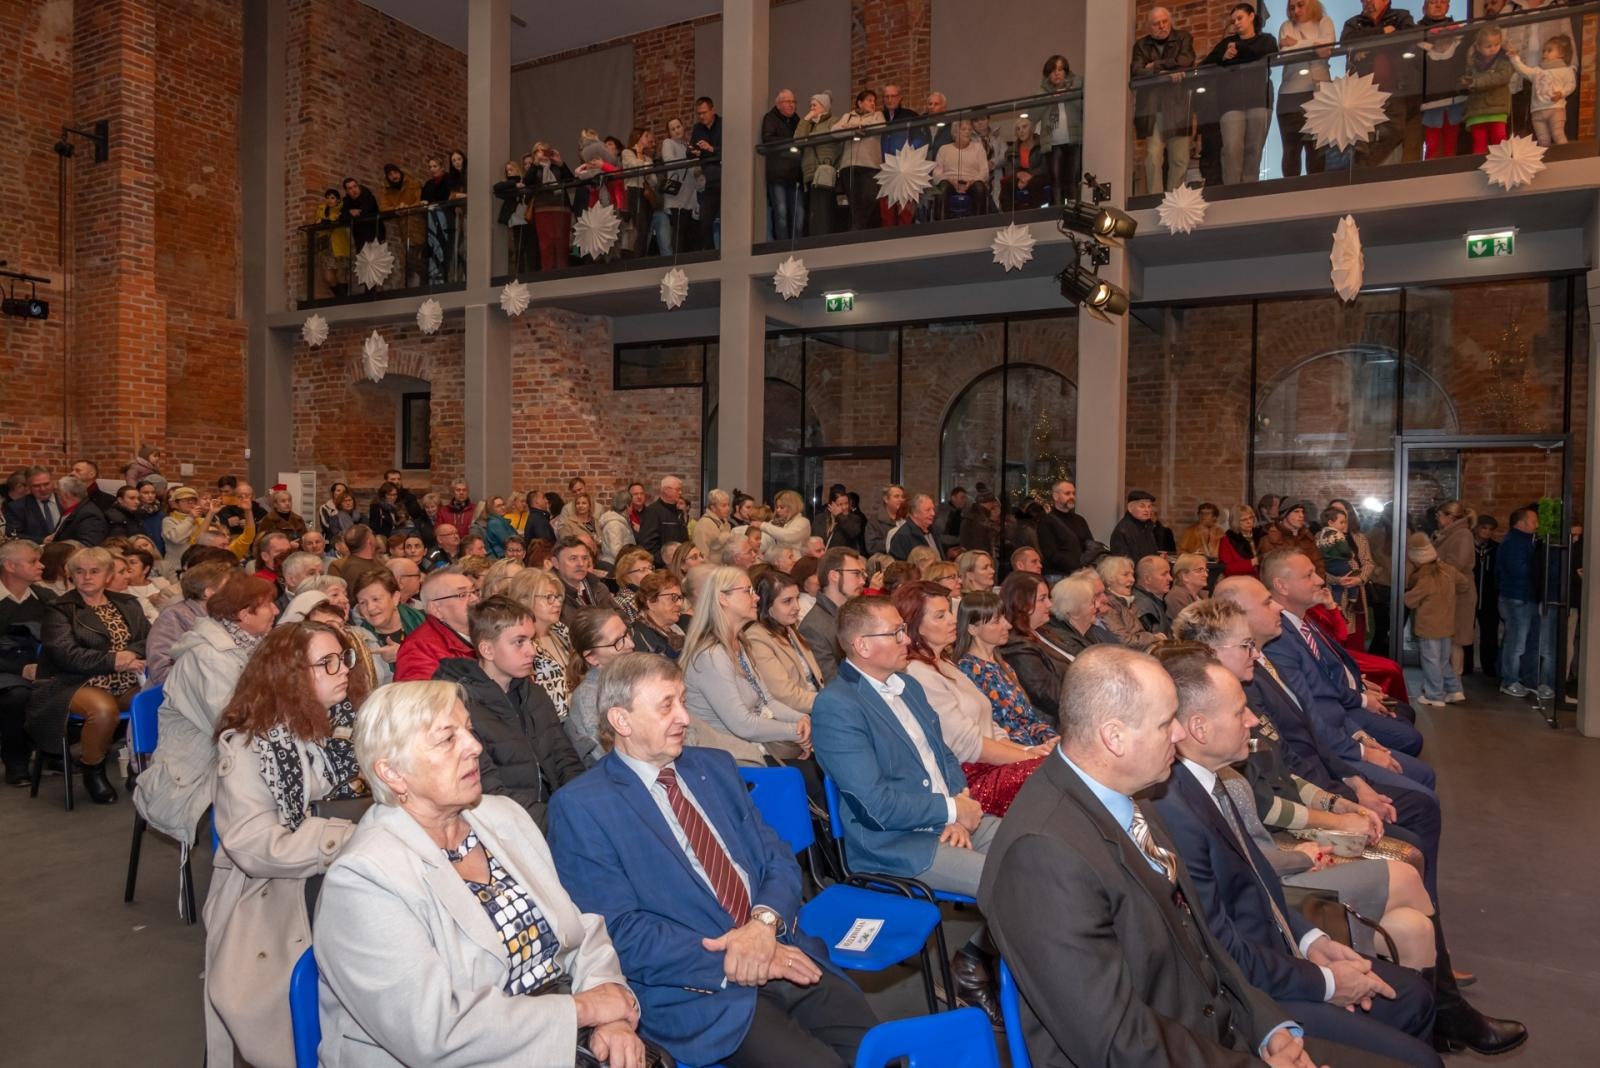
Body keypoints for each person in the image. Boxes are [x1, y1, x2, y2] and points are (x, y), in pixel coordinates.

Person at [982, 644, 1344, 1067]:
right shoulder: (1042, 856)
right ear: (1114, 737)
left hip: (1211, 1035)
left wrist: (1266, 1024)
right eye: (1164, 723)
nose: (1178, 733)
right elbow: (1117, 1041)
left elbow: (1203, 940)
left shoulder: (1134, 793)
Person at [547, 653, 878, 1066]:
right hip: (699, 991)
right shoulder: (582, 807)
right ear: (621, 721)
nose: (685, 717)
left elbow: (775, 857)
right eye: (667, 705)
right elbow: (621, 931)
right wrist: (740, 955)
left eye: (683, 701)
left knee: (880, 1053)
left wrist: (764, 924)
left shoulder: (714, 767)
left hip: (781, 947)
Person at [315, 680, 646, 1068]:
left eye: (469, 730)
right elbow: (436, 1033)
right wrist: (581, 1011)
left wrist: (610, 1013)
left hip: (559, 1035)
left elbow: (577, 930)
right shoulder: (364, 878)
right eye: (446, 739)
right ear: (392, 773)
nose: (474, 746)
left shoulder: (501, 816)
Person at [1148, 655, 1445, 1066]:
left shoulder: (1218, 781)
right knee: (1419, 1048)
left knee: (1415, 995)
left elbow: (1261, 889)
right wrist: (1324, 981)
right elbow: (1220, 948)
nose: (1253, 720)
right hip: (1252, 991)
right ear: (1198, 729)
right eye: (1240, 711)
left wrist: (1314, 941)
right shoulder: (1177, 811)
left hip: (1277, 953)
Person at [810, 595, 1002, 1020]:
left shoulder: (908, 685)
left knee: (1040, 852)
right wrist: (949, 812)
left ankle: (972, 957)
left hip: (947, 818)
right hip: (894, 842)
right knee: (1007, 881)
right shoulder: (837, 706)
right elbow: (876, 806)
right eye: (895, 633)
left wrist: (962, 806)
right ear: (861, 646)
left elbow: (945, 757)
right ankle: (1009, 979)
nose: (906, 638)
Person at [203, 621, 369, 1068]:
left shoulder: (345, 724)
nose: (343, 671)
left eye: (344, 659)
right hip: (271, 886)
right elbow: (256, 847)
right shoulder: (249, 746)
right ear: (289, 675)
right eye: (327, 663)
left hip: (332, 865)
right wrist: (347, 838)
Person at [133, 572, 277, 845]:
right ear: (245, 615)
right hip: (198, 764)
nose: (276, 610)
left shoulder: (250, 646)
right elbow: (232, 723)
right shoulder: (208, 656)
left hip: (229, 751)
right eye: (269, 604)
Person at [896, 582, 1048, 817]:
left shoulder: (945, 664)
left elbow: (991, 729)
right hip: (969, 780)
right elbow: (968, 744)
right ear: (917, 625)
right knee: (1056, 774)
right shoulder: (917, 673)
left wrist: (1031, 749)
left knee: (1062, 767)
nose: (952, 620)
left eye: (949, 612)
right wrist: (1031, 757)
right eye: (940, 616)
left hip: (990, 765)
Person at [433, 595, 584, 828]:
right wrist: (562, 822)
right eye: (519, 642)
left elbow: (564, 758)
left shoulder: (534, 694)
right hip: (511, 828)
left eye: (532, 640)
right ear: (487, 649)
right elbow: (489, 792)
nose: (532, 651)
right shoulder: (460, 707)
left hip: (555, 816)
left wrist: (582, 807)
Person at [25, 547, 147, 803]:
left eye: (94, 571)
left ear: (109, 575)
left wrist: (128, 655)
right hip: (69, 681)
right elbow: (65, 655)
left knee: (160, 701)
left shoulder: (127, 603)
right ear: (70, 576)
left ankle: (145, 768)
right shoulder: (59, 608)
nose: (87, 577)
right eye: (79, 571)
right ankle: (93, 768)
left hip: (124, 679)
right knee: (103, 711)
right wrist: (115, 660)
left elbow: (147, 639)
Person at [680, 566, 810, 766]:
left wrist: (804, 720)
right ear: (723, 599)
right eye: (747, 591)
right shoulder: (711, 655)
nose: (756, 597)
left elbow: (768, 700)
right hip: (726, 759)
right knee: (808, 777)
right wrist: (795, 730)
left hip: (751, 748)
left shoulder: (738, 643)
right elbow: (742, 724)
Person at [1202, 4, 1278, 185]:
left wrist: (1238, 51)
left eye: (1240, 18)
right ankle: (1231, 189)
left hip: (1259, 100)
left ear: (1251, 16)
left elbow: (1264, 53)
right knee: (1231, 148)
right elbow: (1205, 65)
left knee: (1254, 148)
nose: (1236, 23)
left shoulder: (1265, 40)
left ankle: (1249, 189)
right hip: (1231, 103)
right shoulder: (1225, 44)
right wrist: (1224, 58)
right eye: (1233, 20)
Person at [1342, 0, 1420, 167]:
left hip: (1395, 88)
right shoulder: (1354, 23)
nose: (1367, 2)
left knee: (1396, 130)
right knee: (1361, 138)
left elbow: (1408, 38)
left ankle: (1366, 167)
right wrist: (1383, 32)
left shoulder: (1401, 16)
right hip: (1363, 91)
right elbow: (1347, 41)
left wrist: (1367, 46)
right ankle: (1362, 172)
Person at [0, 539, 51, 783]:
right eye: (33, 561)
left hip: (41, 665)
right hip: (6, 668)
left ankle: (52, 752)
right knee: (17, 696)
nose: (41, 566)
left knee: (66, 685)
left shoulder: (45, 598)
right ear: (10, 566)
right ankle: (15, 761)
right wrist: (21, 668)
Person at [1132, 6, 1198, 194]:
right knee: (1153, 156)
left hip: (1178, 106)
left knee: (1180, 158)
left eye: (1164, 22)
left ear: (1170, 21)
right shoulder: (1141, 45)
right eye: (1156, 24)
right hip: (1151, 107)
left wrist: (1156, 66)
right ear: (1149, 27)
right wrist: (1167, 72)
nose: (1161, 26)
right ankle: (1155, 198)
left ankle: (1175, 199)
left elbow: (1186, 60)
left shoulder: (1183, 37)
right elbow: (1136, 71)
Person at [994, 572, 1075, 722]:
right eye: (1042, 599)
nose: (1050, 604)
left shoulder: (1042, 631)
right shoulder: (1016, 647)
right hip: (1063, 722)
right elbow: (1053, 697)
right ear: (1021, 604)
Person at [563, 607, 638, 766]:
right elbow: (609, 760)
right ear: (592, 658)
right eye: (618, 641)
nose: (631, 644)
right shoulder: (588, 698)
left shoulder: (636, 675)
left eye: (627, 633)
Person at [1402, 534, 1470, 708]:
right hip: (1447, 624)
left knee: (1430, 660)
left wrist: (1403, 595)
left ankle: (1434, 695)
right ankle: (1454, 690)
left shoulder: (1425, 578)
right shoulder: (1448, 570)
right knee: (1443, 660)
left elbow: (1410, 600)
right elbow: (1464, 584)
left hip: (1429, 626)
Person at [1277, 0, 1337, 176]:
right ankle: (1290, 193)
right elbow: (1285, 53)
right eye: (1292, 7)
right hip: (1289, 93)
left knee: (1317, 148)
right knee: (1290, 149)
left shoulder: (1324, 22)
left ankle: (1316, 194)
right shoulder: (1286, 26)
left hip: (1319, 91)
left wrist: (1296, 44)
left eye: (1300, 5)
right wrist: (1314, 45)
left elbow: (1327, 48)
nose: (1296, 10)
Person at [395, 569, 477, 682]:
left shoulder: (488, 631)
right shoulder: (419, 649)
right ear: (436, 609)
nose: (475, 599)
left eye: (474, 591)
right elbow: (425, 698)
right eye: (462, 594)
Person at [798, 547, 865, 681]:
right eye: (856, 574)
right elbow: (832, 683)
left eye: (863, 575)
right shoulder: (812, 627)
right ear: (834, 575)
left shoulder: (858, 612)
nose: (862, 581)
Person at [1416, 0, 1469, 159]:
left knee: (1451, 142)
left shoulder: (1460, 34)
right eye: (1433, 2)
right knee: (1431, 144)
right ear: (1424, 7)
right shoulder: (1415, 33)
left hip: (1455, 99)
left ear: (1448, 7)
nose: (1438, 5)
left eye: (1442, 1)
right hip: (1430, 100)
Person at [1508, 32, 1575, 147]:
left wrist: (1562, 93)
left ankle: (1566, 157)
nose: (1545, 53)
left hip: (1556, 109)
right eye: (1544, 51)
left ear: (1561, 54)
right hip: (1537, 111)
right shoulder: (1537, 71)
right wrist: (1515, 57)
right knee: (1543, 140)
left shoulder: (1566, 70)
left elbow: (1571, 85)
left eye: (1549, 50)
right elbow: (1523, 70)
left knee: (1558, 134)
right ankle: (1547, 162)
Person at [834, 89, 885, 232]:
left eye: (874, 101)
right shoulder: (848, 116)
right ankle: (859, 232)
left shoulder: (877, 115)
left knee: (869, 197)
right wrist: (853, 128)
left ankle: (856, 231)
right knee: (854, 202)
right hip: (849, 164)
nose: (873, 103)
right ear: (860, 103)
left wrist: (859, 128)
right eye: (869, 100)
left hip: (870, 164)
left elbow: (881, 127)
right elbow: (834, 130)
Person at [1460, 24, 1515, 153]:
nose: (1493, 49)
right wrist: (1465, 82)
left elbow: (1502, 77)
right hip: (1476, 112)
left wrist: (1476, 82)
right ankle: (1478, 168)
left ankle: (1502, 168)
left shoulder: (1505, 60)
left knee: (1500, 142)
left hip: (1498, 109)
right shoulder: (1471, 63)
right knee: (1479, 144)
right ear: (1478, 47)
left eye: (1496, 44)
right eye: (1488, 46)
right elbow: (1467, 81)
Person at [1038, 54, 1085, 203]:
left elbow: (1085, 108)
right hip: (1053, 142)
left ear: (1066, 72)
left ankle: (1073, 211)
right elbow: (1034, 113)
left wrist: (1068, 95)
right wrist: (1050, 97)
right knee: (1055, 179)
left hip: (1074, 139)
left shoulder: (1077, 86)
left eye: (1060, 69)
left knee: (1072, 178)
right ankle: (1057, 212)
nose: (1057, 73)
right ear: (1048, 75)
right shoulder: (1043, 91)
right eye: (1052, 70)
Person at [1097, 554, 1168, 652]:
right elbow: (1124, 641)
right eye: (1125, 574)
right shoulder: (1108, 605)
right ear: (1109, 579)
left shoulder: (1127, 602)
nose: (1132, 579)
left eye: (1132, 574)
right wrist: (1153, 638)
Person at [796, 92, 840, 237]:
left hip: (824, 171)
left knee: (823, 207)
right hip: (809, 172)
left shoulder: (833, 121)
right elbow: (798, 140)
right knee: (812, 209)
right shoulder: (808, 125)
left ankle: (824, 236)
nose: (811, 108)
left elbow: (838, 144)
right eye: (810, 105)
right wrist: (806, 119)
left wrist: (832, 162)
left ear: (824, 106)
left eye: (815, 105)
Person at [762, 89, 802, 239]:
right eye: (788, 102)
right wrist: (791, 143)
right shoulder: (770, 118)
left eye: (793, 102)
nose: (791, 105)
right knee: (781, 213)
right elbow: (768, 140)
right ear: (778, 104)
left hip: (796, 174)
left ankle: (797, 246)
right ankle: (782, 247)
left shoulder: (797, 120)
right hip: (777, 174)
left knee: (799, 214)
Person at [933, 120, 990, 217]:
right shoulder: (944, 149)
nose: (967, 132)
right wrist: (951, 181)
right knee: (942, 188)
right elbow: (937, 173)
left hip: (972, 182)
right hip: (950, 182)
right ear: (955, 132)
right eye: (963, 129)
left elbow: (984, 172)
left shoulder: (978, 148)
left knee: (980, 187)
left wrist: (972, 182)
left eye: (969, 129)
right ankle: (941, 227)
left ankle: (979, 225)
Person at [630, 569, 688, 659]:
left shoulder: (675, 630)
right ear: (651, 602)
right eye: (673, 597)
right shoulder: (639, 639)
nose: (680, 604)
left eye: (680, 597)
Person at [1259, 500, 1324, 574]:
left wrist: (1319, 580)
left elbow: (1319, 563)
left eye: (1302, 512)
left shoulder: (1307, 537)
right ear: (1285, 515)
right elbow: (1270, 571)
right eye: (1296, 511)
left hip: (1312, 582)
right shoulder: (1270, 539)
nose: (1301, 515)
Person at [999, 116, 1047, 211]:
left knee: (1035, 183)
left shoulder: (1043, 144)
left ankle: (1034, 216)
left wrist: (1030, 175)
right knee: (1007, 185)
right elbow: (1008, 169)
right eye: (1018, 129)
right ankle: (1008, 218)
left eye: (1024, 127)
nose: (1021, 131)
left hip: (1038, 175)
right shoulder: (1011, 149)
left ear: (1032, 129)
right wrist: (1019, 174)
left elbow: (1045, 167)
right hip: (1019, 175)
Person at [638, 476, 690, 564]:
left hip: (678, 565)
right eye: (677, 490)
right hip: (663, 568)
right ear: (666, 490)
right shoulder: (652, 512)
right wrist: (665, 561)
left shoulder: (678, 512)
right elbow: (647, 546)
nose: (680, 493)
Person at [312, 188, 349, 295]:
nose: (329, 200)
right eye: (327, 198)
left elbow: (335, 220)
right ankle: (340, 298)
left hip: (339, 244)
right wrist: (325, 221)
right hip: (325, 246)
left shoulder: (341, 208)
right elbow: (317, 221)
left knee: (341, 274)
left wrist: (324, 221)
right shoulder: (321, 209)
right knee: (328, 277)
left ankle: (342, 301)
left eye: (332, 198)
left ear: (337, 200)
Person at [1110, 489, 1162, 563]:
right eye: (1142, 506)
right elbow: (1124, 564)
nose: (1147, 510)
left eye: (1149, 506)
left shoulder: (1147, 526)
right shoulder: (1122, 531)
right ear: (1130, 508)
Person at [889, 493, 939, 560]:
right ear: (915, 513)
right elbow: (899, 567)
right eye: (928, 510)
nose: (933, 513)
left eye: (933, 509)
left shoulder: (933, 530)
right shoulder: (902, 536)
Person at [1167, 552, 1211, 619]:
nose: (1206, 575)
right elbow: (1188, 625)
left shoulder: (1201, 596)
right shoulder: (1176, 597)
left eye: (1206, 570)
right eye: (1199, 570)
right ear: (1184, 576)